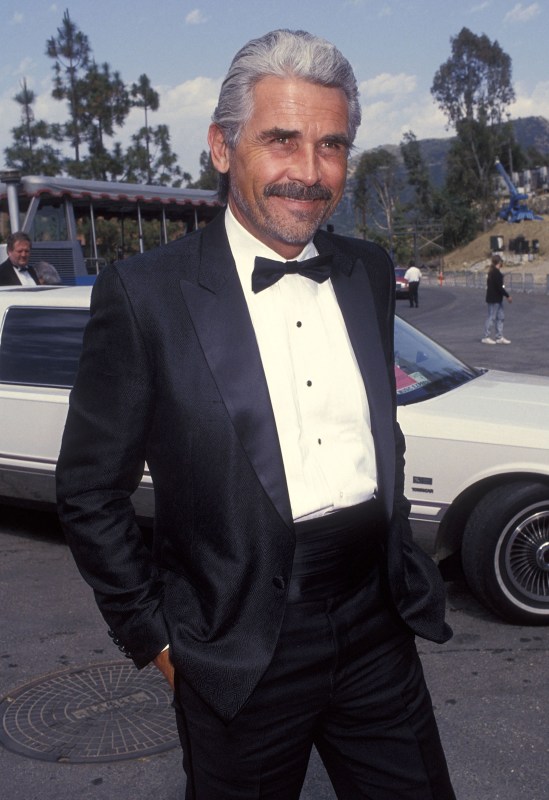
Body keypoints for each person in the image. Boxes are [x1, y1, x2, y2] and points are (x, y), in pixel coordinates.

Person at [56, 29, 456, 800]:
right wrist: (156, 638)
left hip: (376, 621)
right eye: (281, 140)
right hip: (233, 643)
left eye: (331, 145)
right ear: (220, 146)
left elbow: (378, 429)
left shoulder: (366, 271)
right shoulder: (145, 296)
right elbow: (88, 491)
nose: (309, 173)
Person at [482, 254, 512, 344]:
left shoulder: (492, 273)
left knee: (500, 317)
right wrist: (508, 296)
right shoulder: (496, 274)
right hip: (494, 299)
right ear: (499, 262)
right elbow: (500, 288)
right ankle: (486, 336)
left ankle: (499, 336)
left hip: (497, 299)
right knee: (492, 317)